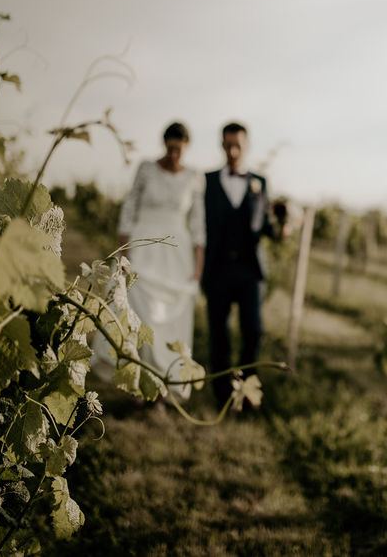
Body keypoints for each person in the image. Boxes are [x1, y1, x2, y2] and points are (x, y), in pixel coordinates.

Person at [115, 121, 204, 399]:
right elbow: (129, 209)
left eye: (180, 149)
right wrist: (123, 252)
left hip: (177, 253)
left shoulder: (194, 177)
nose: (175, 153)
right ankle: (139, 384)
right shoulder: (146, 169)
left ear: (186, 147)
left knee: (171, 321)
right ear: (164, 143)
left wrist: (198, 267)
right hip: (143, 247)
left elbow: (198, 224)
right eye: (171, 147)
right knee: (141, 314)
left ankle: (166, 386)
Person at [199, 121, 285, 408]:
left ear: (246, 146)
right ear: (222, 146)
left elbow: (265, 224)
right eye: (228, 145)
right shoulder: (207, 181)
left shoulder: (260, 182)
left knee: (253, 332)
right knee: (219, 334)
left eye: (238, 145)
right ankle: (222, 394)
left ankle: (247, 391)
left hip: (250, 271)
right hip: (219, 269)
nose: (233, 150)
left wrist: (282, 229)